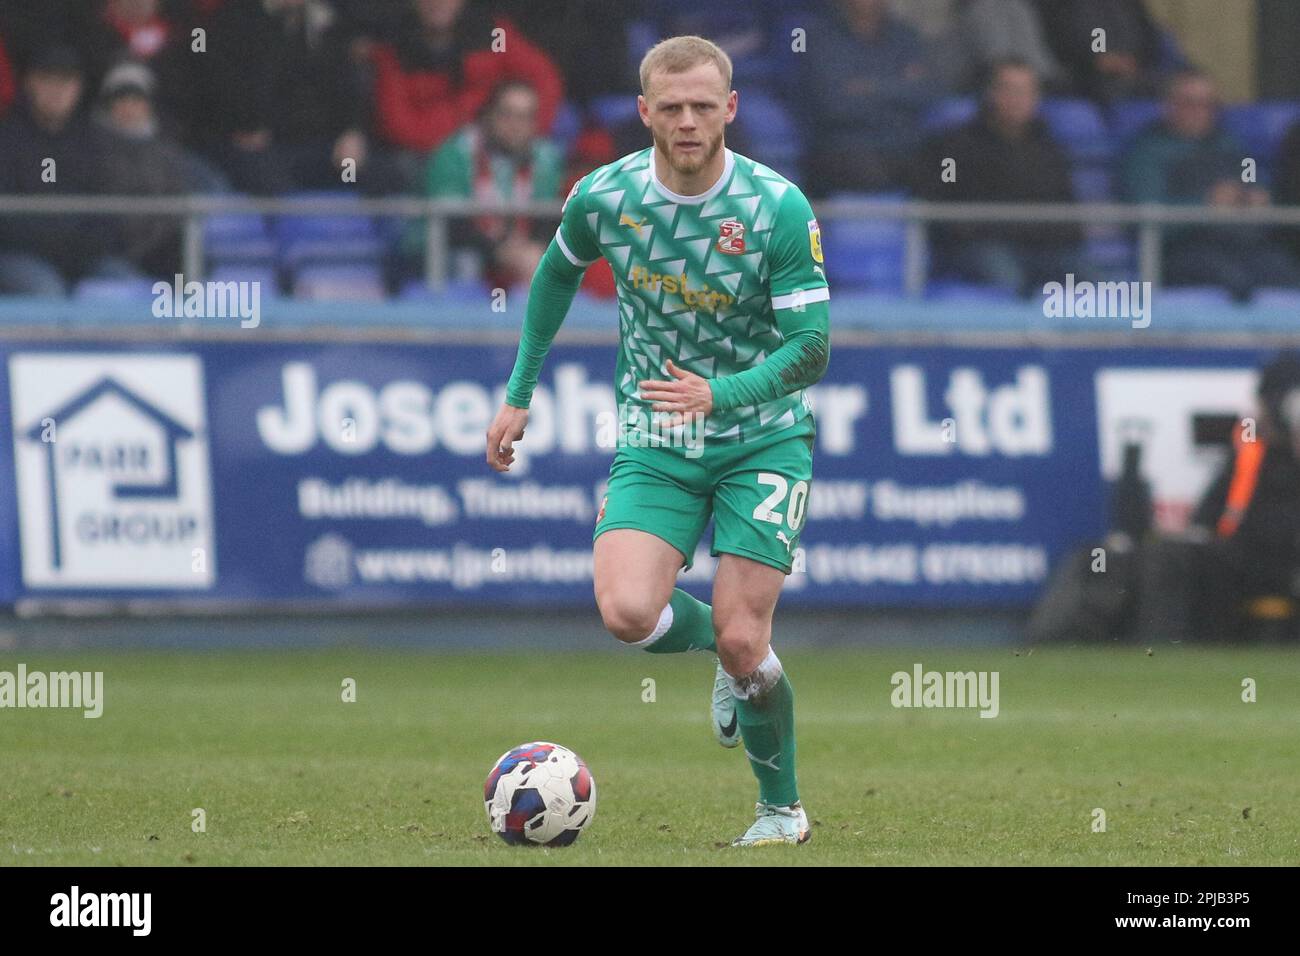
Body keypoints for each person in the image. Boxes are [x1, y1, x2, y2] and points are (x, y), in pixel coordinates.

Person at [486, 36, 830, 846]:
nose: (686, 121)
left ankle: (781, 812)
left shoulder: (776, 207)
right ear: (644, 111)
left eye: (703, 106)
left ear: (730, 110)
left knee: (748, 639)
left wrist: (723, 392)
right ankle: (732, 656)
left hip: (763, 439)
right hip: (657, 438)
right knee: (628, 611)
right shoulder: (604, 197)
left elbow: (812, 346)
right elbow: (555, 275)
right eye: (670, 107)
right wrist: (518, 394)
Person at [1136, 353, 1300, 642]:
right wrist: (1198, 533)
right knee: (1169, 554)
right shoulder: (1251, 451)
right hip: (1240, 556)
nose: (1258, 413)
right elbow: (1212, 510)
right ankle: (1164, 649)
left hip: (1280, 562)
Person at [1120, 69, 1300, 301]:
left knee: (1286, 275)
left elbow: (1255, 181)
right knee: (1236, 284)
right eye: (1190, 103)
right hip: (1184, 251)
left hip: (1245, 247)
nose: (1200, 112)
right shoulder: (1146, 153)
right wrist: (1206, 204)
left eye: (1208, 104)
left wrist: (1259, 197)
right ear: (1168, 106)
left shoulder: (1230, 144)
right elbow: (1147, 216)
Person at [915, 58, 1081, 296]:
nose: (1018, 100)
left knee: (1098, 282)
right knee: (1007, 279)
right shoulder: (953, 147)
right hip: (980, 248)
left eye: (1027, 92)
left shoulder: (1050, 148)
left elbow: (1067, 212)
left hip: (1045, 250)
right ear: (991, 93)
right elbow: (941, 207)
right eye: (1010, 90)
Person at [370, 0, 562, 188]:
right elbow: (398, 125)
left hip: (498, 146)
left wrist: (520, 131)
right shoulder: (393, 48)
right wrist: (460, 143)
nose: (438, 3)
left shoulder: (492, 32)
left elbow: (544, 79)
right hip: (427, 156)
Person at [0, 45, 136, 296]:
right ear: (30, 83)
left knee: (125, 284)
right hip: (17, 256)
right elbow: (6, 217)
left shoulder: (95, 140)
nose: (57, 91)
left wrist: (78, 246)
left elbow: (109, 214)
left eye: (66, 81)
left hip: (82, 257)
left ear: (78, 88)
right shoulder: (6, 139)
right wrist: (54, 240)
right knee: (46, 290)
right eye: (47, 80)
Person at [414, 80, 562, 290]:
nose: (516, 125)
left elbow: (547, 217)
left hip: (519, 252)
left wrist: (530, 247)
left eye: (525, 117)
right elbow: (451, 224)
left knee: (546, 261)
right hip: (460, 251)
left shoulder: (545, 157)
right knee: (467, 262)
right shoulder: (456, 152)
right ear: (488, 115)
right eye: (507, 114)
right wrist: (498, 251)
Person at [801, 0, 937, 194]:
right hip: (843, 145)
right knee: (867, 167)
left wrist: (871, 87)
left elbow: (926, 92)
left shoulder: (906, 36)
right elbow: (834, 105)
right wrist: (897, 88)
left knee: (948, 166)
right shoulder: (820, 38)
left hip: (903, 143)